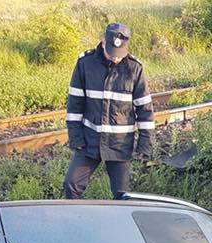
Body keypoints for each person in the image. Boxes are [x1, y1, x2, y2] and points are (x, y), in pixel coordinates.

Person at [63, 22, 155, 200]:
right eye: (112, 53)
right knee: (71, 184)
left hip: (119, 144)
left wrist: (145, 144)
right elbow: (74, 106)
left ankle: (118, 226)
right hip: (90, 141)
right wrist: (76, 138)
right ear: (103, 43)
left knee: (123, 196)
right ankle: (79, 222)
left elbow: (145, 109)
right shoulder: (85, 63)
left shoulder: (135, 68)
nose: (116, 58)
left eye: (120, 55)